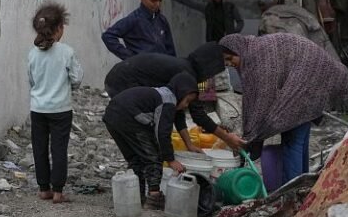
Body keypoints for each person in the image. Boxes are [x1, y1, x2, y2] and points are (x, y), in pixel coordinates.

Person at [218, 33, 348, 186]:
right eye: (225, 62)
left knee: (291, 137)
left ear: (238, 49)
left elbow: (260, 102)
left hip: (310, 76)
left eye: (230, 58)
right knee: (300, 137)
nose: (229, 64)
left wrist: (250, 138)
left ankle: (291, 190)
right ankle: (303, 186)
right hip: (313, 75)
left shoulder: (256, 57)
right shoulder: (253, 51)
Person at [103, 42, 246, 151]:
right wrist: (227, 138)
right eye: (224, 61)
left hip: (120, 77)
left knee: (156, 125)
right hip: (121, 81)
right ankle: (145, 165)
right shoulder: (186, 74)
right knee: (146, 127)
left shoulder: (187, 69)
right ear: (210, 63)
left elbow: (178, 110)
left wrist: (189, 144)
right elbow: (199, 116)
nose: (226, 65)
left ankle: (147, 161)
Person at [102, 73, 198, 210]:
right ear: (181, 93)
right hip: (129, 117)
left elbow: (177, 121)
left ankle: (135, 195)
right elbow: (162, 134)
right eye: (187, 101)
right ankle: (154, 197)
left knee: (135, 158)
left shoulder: (162, 94)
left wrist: (188, 145)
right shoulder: (168, 102)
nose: (185, 105)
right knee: (153, 157)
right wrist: (170, 159)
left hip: (112, 116)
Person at [27, 2, 83, 204]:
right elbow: (77, 78)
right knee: (59, 149)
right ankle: (58, 191)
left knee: (39, 148)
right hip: (61, 109)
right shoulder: (66, 52)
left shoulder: (32, 53)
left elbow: (31, 80)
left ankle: (44, 189)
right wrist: (68, 87)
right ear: (59, 28)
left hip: (38, 109)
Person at [102, 0, 175, 59]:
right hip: (143, 66)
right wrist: (131, 58)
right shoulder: (134, 20)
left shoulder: (162, 20)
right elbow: (108, 36)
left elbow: (170, 50)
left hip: (163, 65)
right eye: (153, 0)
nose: (158, 4)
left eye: (160, 0)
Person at [173, 0, 244, 42]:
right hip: (213, 44)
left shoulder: (230, 7)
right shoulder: (208, 8)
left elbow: (240, 22)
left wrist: (233, 32)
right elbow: (191, 4)